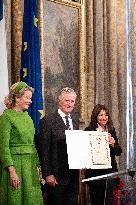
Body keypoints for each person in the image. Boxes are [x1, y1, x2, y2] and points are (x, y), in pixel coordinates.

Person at [0, 81, 43, 205]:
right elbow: (3, 147)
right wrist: (12, 171)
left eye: (30, 98)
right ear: (17, 98)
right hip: (15, 166)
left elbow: (32, 144)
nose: (30, 101)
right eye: (27, 98)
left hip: (30, 166)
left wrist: (37, 167)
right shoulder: (6, 117)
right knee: (16, 198)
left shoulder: (28, 117)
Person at [38, 87, 79, 205]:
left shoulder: (75, 120)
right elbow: (44, 150)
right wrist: (48, 174)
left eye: (72, 101)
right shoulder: (48, 120)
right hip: (56, 176)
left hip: (73, 176)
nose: (70, 104)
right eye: (67, 101)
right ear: (59, 101)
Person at [84, 104, 122, 205]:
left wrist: (113, 144)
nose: (104, 118)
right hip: (96, 175)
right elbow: (85, 152)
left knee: (109, 202)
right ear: (95, 116)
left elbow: (119, 152)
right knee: (96, 201)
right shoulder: (88, 131)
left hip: (110, 173)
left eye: (106, 115)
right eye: (100, 115)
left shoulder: (111, 130)